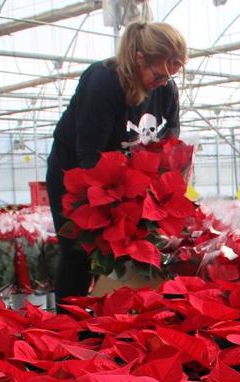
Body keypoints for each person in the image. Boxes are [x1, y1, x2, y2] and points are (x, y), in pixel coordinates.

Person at [46, 21, 187, 302]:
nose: (163, 82)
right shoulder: (104, 81)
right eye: (158, 74)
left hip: (129, 181)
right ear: (139, 59)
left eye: (170, 76)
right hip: (78, 180)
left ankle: (117, 320)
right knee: (79, 254)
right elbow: (89, 157)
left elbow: (170, 144)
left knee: (135, 253)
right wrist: (120, 205)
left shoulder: (166, 90)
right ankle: (69, 327)